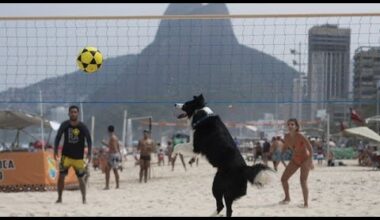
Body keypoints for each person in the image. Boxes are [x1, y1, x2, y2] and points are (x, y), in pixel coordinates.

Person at [54, 105, 92, 204]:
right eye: (72, 112)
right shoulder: (65, 124)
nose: (73, 113)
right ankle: (59, 198)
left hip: (78, 157)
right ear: (68, 113)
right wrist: (55, 150)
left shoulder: (82, 126)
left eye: (75, 112)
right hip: (65, 156)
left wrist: (90, 153)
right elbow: (58, 137)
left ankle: (84, 199)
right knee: (61, 177)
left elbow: (89, 139)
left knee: (81, 178)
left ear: (78, 113)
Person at [280, 118, 314, 208]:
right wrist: (281, 156)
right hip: (295, 159)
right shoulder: (286, 137)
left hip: (305, 159)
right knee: (283, 179)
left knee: (303, 181)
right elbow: (285, 147)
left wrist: (310, 161)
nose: (290, 126)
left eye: (292, 124)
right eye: (288, 125)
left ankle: (306, 203)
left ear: (296, 126)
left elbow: (310, 148)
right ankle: (287, 198)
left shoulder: (300, 136)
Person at [102, 125, 122, 189]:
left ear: (108, 130)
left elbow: (113, 147)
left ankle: (112, 186)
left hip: (113, 155)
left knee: (114, 170)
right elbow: (118, 147)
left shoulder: (112, 138)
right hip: (115, 155)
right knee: (109, 170)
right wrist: (119, 155)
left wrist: (104, 143)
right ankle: (114, 185)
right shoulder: (115, 137)